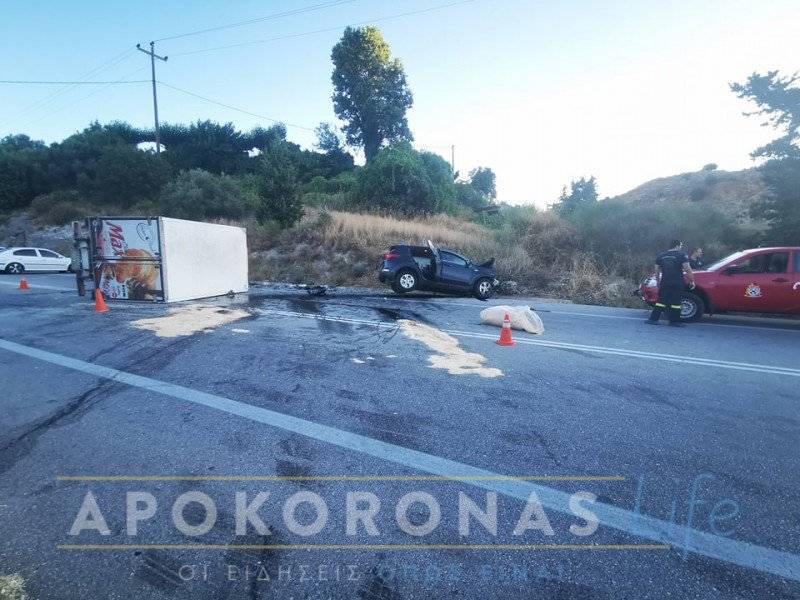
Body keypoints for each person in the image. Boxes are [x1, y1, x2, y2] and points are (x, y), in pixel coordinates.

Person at [646, 240, 695, 327]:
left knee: (661, 300)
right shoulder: (682, 255)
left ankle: (653, 319)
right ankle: (674, 321)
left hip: (665, 281)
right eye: (681, 245)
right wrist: (692, 281)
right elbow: (688, 269)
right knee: (676, 302)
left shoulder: (661, 256)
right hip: (677, 282)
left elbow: (656, 271)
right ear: (677, 246)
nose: (681, 247)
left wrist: (658, 281)